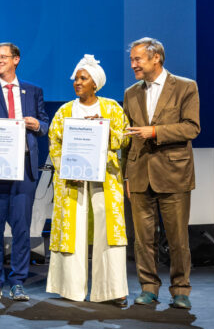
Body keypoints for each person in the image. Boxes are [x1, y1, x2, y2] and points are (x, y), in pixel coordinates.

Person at [45, 55, 129, 305]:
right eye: (76, 79)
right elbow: (54, 142)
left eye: (83, 78)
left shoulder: (112, 108)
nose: (77, 82)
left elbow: (124, 138)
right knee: (74, 229)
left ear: (96, 83)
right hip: (74, 180)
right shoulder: (65, 111)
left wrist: (102, 128)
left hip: (106, 178)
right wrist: (70, 169)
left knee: (108, 233)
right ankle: (70, 288)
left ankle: (114, 291)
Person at [122, 37, 200, 309]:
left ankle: (180, 290)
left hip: (174, 174)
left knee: (177, 238)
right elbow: (127, 139)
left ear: (156, 58)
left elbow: (191, 128)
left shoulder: (185, 87)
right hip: (140, 174)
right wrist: (127, 177)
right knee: (143, 239)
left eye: (137, 59)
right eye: (132, 60)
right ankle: (148, 287)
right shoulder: (131, 93)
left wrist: (155, 132)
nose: (133, 65)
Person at [0, 42, 49, 302]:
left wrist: (37, 123)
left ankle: (17, 282)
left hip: (24, 169)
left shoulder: (33, 90)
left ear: (16, 59)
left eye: (3, 57)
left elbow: (45, 125)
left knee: (21, 230)